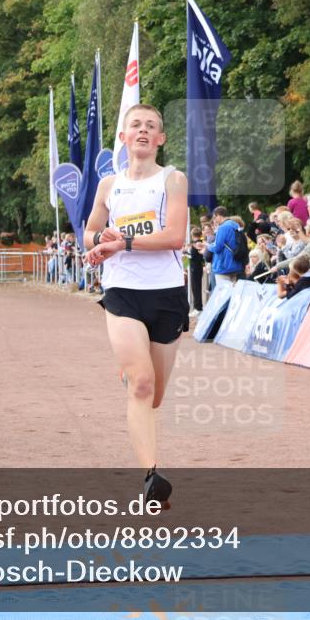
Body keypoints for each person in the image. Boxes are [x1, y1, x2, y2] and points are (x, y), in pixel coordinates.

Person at [83, 103, 188, 508]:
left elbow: (175, 236)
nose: (143, 131)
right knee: (142, 385)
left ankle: (132, 373)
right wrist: (97, 245)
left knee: (154, 395)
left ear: (160, 139)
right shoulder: (109, 186)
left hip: (166, 294)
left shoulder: (172, 180)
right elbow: (90, 232)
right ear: (124, 137)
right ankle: (152, 476)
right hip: (122, 292)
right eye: (135, 126)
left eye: (151, 126)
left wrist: (122, 242)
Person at [207, 206, 245, 285]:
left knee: (223, 294)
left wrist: (208, 246)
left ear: (218, 215)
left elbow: (217, 247)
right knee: (232, 292)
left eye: (215, 217)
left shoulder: (223, 227)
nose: (215, 220)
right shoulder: (235, 224)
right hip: (235, 263)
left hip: (223, 265)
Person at [187, 227, 205, 314]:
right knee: (195, 288)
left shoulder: (197, 243)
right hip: (194, 267)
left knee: (196, 288)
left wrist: (187, 252)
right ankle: (197, 306)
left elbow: (192, 255)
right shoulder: (196, 243)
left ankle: (198, 307)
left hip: (196, 267)